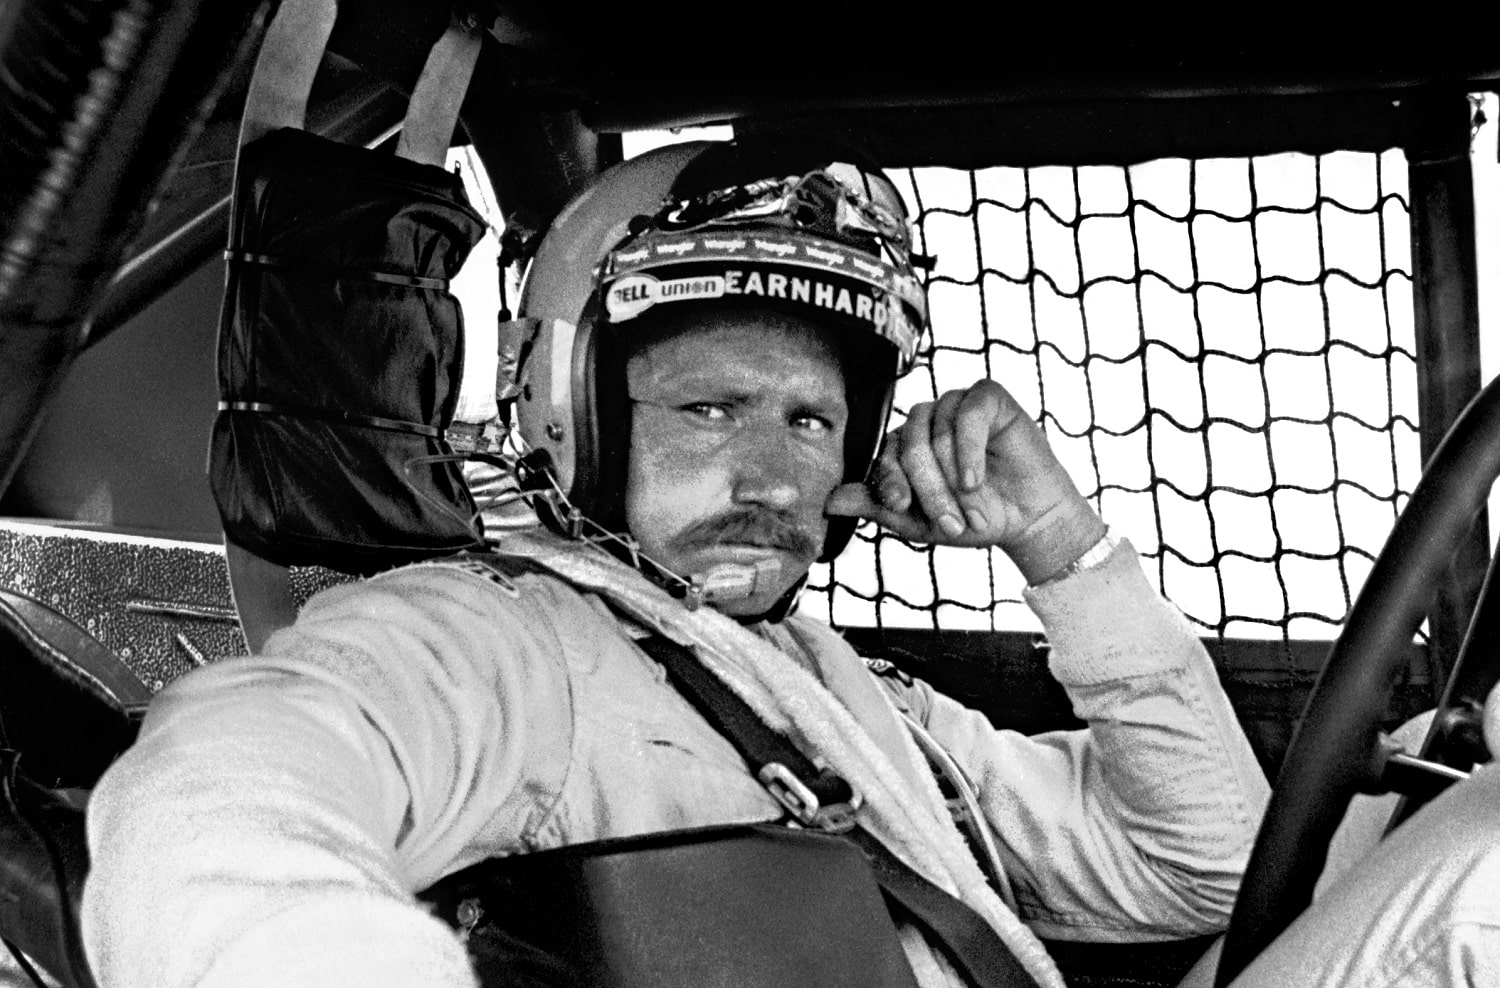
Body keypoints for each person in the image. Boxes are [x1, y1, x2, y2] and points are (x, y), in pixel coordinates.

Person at [79, 137, 1273, 988]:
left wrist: (1064, 552)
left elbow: (1199, 867)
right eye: (708, 410)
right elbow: (228, 783)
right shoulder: (506, 637)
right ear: (568, 406)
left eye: (811, 423)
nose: (773, 476)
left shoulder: (843, 694)